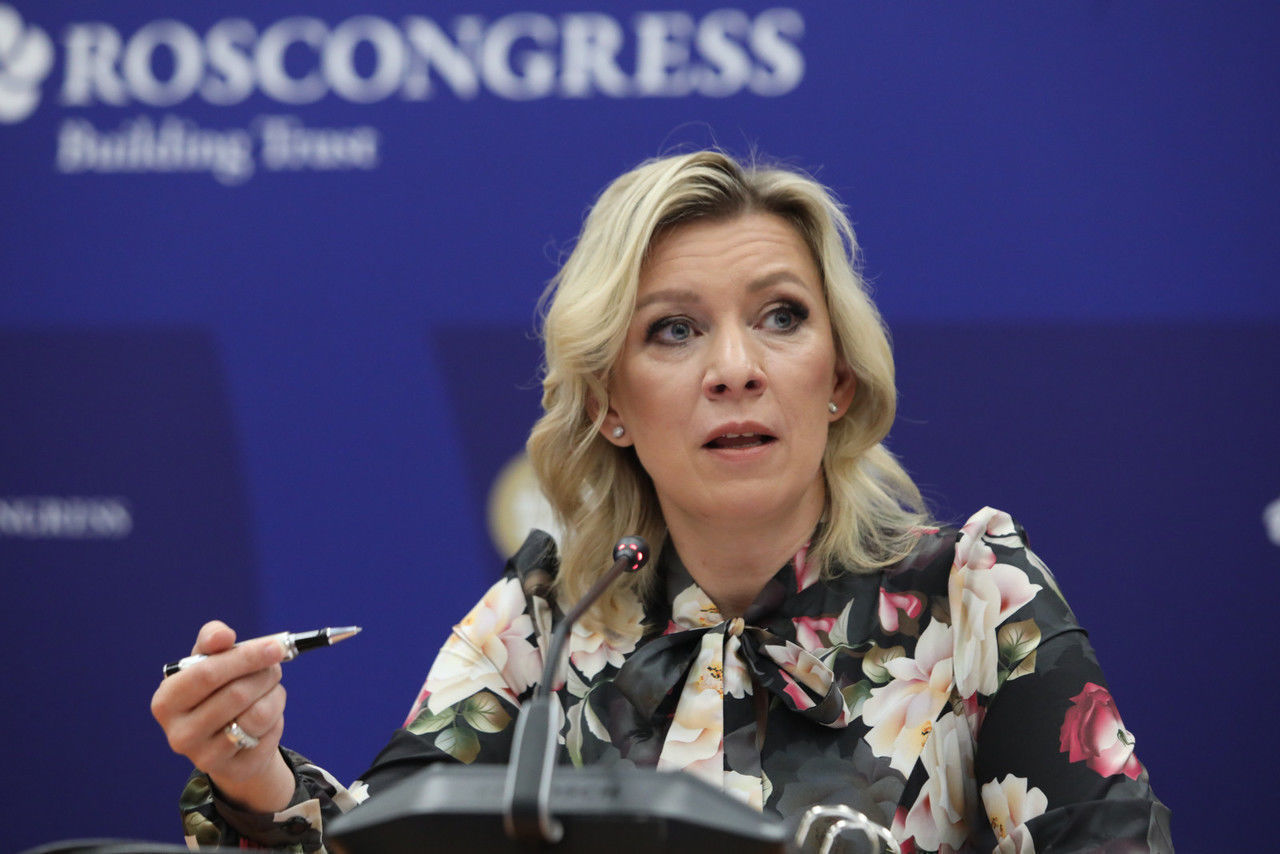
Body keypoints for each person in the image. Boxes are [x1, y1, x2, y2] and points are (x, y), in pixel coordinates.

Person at [152, 150, 1173, 852]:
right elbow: (388, 843)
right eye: (673, 330)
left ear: (838, 379)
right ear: (609, 405)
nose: (734, 367)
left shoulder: (971, 591)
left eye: (781, 316)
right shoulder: (547, 614)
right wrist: (254, 776)